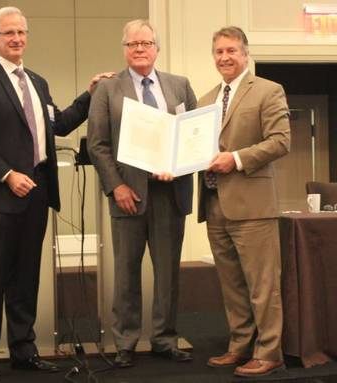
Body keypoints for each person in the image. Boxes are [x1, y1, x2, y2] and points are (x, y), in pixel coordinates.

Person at [0, 7, 112, 383]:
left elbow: (57, 124)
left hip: (37, 195)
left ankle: (24, 351)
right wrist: (8, 175)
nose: (17, 39)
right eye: (8, 33)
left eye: (22, 32)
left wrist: (88, 96)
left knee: (26, 277)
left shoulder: (37, 82)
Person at [87, 19, 196, 368]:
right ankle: (126, 342)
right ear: (124, 49)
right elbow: (97, 144)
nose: (139, 49)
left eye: (146, 43)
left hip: (169, 193)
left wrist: (178, 166)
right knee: (126, 273)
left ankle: (165, 338)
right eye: (133, 44)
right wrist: (116, 185)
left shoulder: (180, 86)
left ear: (157, 48)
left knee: (167, 273)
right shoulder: (108, 89)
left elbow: (193, 137)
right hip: (127, 195)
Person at [197, 26, 290, 378]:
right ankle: (239, 346)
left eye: (231, 50)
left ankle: (270, 352)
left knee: (262, 284)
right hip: (214, 201)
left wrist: (235, 158)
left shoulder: (268, 90)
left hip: (252, 203)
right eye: (219, 51)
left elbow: (281, 141)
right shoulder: (205, 100)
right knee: (232, 284)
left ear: (245, 54)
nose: (225, 57)